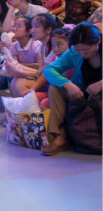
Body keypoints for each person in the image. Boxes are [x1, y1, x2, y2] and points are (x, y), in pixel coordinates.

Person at [42, 22, 101, 155]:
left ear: (98, 41)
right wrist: (68, 85)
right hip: (85, 95)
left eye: (86, 50)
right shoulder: (74, 52)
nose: (83, 54)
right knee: (55, 88)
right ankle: (60, 136)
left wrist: (101, 84)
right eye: (78, 50)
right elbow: (49, 70)